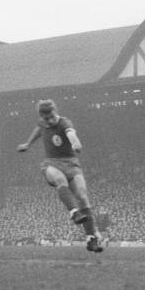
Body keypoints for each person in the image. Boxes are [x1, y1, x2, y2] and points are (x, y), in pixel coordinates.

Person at [17, 99, 103, 252]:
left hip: (71, 163)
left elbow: (71, 133)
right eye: (46, 118)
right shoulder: (42, 123)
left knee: (82, 197)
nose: (49, 121)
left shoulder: (64, 123)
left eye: (51, 117)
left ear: (55, 112)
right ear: (42, 117)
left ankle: (91, 239)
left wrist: (76, 143)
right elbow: (38, 130)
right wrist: (28, 144)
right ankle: (74, 212)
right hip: (52, 163)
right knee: (60, 180)